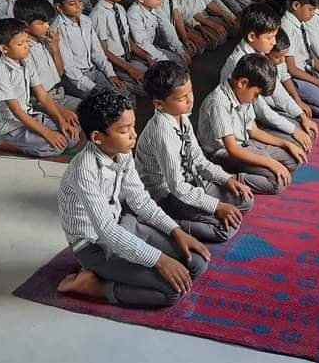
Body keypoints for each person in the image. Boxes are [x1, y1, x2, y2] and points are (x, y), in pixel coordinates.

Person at [56, 88, 211, 307]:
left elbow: (141, 200)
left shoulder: (123, 152)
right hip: (95, 246)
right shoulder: (84, 170)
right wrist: (159, 260)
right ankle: (93, 286)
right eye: (124, 130)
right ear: (97, 137)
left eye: (133, 126)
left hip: (124, 225)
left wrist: (176, 231)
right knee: (171, 292)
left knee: (197, 263)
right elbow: (106, 231)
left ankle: (111, 272)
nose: (134, 135)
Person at [137, 60, 255, 242]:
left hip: (191, 182)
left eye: (190, 92)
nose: (190, 100)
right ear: (159, 104)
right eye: (181, 98)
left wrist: (226, 179)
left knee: (245, 200)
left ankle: (200, 210)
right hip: (167, 196)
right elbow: (177, 187)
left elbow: (198, 158)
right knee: (225, 230)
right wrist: (216, 206)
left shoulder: (181, 117)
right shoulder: (162, 132)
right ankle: (166, 223)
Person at [197, 53, 304, 195]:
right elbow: (232, 149)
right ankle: (230, 178)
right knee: (277, 183)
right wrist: (270, 163)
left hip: (246, 143)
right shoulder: (218, 102)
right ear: (243, 83)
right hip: (222, 154)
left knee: (294, 160)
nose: (255, 100)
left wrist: (286, 144)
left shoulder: (241, 94)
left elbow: (254, 131)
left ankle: (261, 162)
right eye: (256, 94)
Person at [220, 5, 317, 151]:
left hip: (258, 113)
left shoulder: (260, 53)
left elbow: (278, 90)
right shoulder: (243, 62)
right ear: (252, 37)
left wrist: (300, 114)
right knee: (297, 140)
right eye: (269, 37)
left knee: (302, 127)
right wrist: (293, 130)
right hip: (244, 124)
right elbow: (262, 110)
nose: (274, 42)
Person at [0, 18, 80, 158]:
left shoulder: (26, 61)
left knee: (72, 135)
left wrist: (61, 120)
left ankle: (31, 140)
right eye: (20, 44)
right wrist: (47, 133)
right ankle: (8, 143)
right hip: (12, 126)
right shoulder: (0, 73)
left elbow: (42, 95)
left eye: (26, 42)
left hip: (30, 115)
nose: (26, 46)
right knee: (55, 147)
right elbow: (17, 112)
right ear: (4, 48)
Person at [50, 0, 122, 98]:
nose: (78, 6)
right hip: (74, 78)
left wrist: (110, 73)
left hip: (93, 71)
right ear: (58, 6)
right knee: (103, 100)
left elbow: (97, 52)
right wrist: (93, 87)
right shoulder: (57, 29)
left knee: (120, 94)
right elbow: (69, 67)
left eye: (80, 1)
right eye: (72, 4)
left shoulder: (86, 20)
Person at [13, 0, 80, 111]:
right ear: (25, 25)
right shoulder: (24, 51)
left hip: (59, 93)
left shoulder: (44, 41)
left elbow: (59, 72)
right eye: (41, 23)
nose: (47, 26)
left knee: (93, 108)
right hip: (43, 102)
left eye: (48, 22)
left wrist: (55, 47)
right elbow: (35, 92)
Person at [90, 0, 148, 96]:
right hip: (116, 64)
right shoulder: (98, 15)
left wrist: (147, 57)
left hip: (129, 58)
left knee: (156, 77)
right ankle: (120, 87)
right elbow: (104, 51)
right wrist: (130, 69)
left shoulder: (120, 9)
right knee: (148, 88)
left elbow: (128, 40)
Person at [127, 0, 189, 65]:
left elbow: (167, 27)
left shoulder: (155, 7)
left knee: (181, 61)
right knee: (172, 66)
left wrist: (180, 50)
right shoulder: (133, 14)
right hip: (142, 54)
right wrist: (163, 58)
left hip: (152, 47)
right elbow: (142, 43)